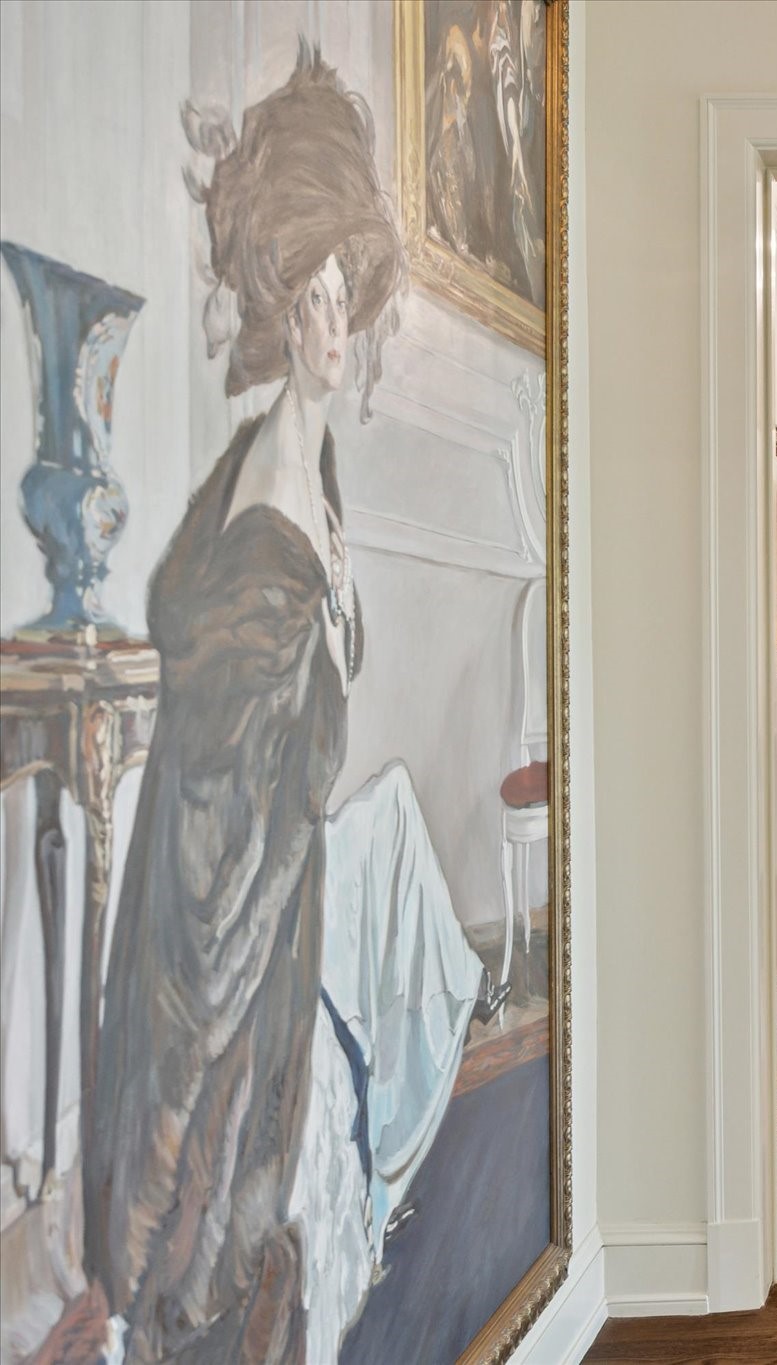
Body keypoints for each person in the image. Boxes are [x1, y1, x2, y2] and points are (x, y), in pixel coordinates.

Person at [85, 45, 488, 1365]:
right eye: (311, 298)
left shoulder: (311, 461)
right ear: (281, 308)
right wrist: (236, 1001)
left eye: (343, 298)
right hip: (242, 915)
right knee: (234, 1227)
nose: (333, 324)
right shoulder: (266, 496)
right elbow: (227, 799)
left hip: (287, 870)